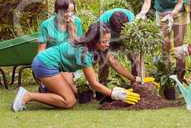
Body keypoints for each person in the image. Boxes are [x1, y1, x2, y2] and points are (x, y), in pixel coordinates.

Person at [11, 23, 142, 112]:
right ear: (93, 40)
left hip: (55, 66)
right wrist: (114, 94)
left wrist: (134, 78)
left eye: (108, 41)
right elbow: (94, 83)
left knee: (74, 93)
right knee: (69, 101)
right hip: (45, 64)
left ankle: (46, 88)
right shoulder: (84, 53)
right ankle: (27, 96)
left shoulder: (90, 45)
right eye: (103, 42)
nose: (107, 44)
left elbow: (114, 63)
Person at [136, 0, 190, 81]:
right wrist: (142, 13)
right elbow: (147, 3)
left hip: (179, 12)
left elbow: (180, 3)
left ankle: (180, 76)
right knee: (164, 44)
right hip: (161, 12)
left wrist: (172, 15)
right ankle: (166, 77)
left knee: (178, 45)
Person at [37, 0, 83, 93]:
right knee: (69, 90)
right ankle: (47, 84)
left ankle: (51, 87)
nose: (70, 14)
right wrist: (39, 69)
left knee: (74, 91)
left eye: (72, 11)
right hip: (53, 61)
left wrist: (72, 30)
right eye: (66, 11)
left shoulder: (76, 22)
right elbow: (41, 50)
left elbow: (77, 48)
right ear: (58, 10)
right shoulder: (46, 25)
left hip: (70, 61)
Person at [96, 8, 138, 100]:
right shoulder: (101, 24)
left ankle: (136, 87)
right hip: (108, 38)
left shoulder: (132, 20)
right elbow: (113, 62)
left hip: (126, 36)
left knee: (135, 58)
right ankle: (102, 90)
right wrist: (132, 78)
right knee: (104, 63)